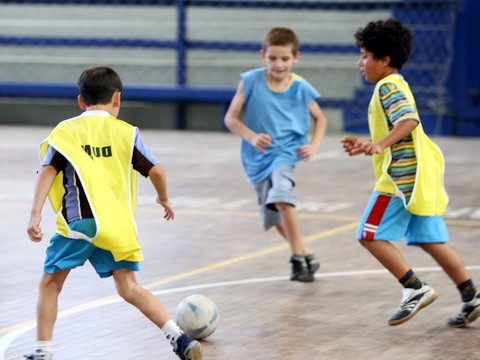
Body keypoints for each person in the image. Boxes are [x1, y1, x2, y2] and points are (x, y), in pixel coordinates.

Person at [25, 66, 202, 360]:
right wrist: (163, 198)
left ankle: (42, 353)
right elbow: (156, 170)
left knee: (50, 284)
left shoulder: (66, 131)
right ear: (117, 99)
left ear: (81, 101)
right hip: (116, 227)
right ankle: (178, 337)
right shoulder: (127, 133)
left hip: (79, 224)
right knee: (130, 287)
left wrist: (35, 214)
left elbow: (47, 171)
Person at [340, 19, 480, 327]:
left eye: (365, 55)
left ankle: (415, 288)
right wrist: (370, 145)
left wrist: (379, 144)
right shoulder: (398, 82)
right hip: (418, 180)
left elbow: (408, 120)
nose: (360, 62)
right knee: (431, 241)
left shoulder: (387, 85)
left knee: (369, 234)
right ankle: (472, 298)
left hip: (398, 182)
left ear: (384, 59)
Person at [224, 27, 328, 282]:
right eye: (273, 58)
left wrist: (314, 145)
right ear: (263, 56)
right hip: (257, 156)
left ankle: (296, 259)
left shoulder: (301, 87)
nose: (279, 64)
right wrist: (251, 136)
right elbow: (230, 118)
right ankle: (306, 253)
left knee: (281, 196)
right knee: (274, 213)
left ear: (296, 58)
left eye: (285, 58)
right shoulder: (250, 81)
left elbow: (320, 118)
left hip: (286, 151)